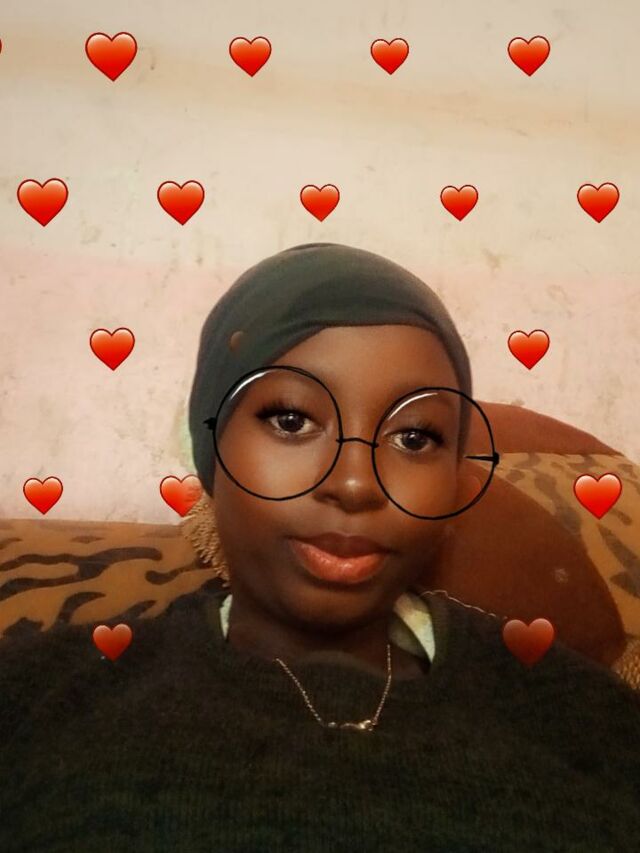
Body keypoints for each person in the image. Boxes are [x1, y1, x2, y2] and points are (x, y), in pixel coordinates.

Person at [1, 242, 639, 853]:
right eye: (291, 420)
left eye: (414, 438)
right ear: (212, 448)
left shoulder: (585, 717)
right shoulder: (43, 697)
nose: (356, 483)